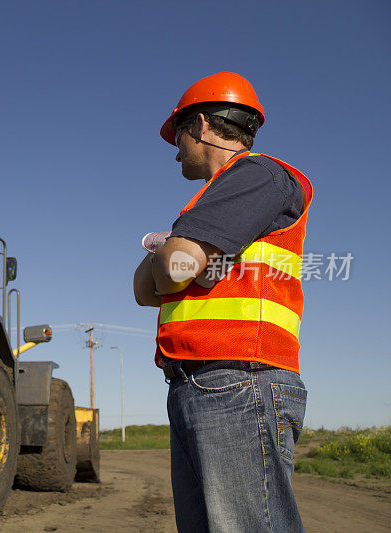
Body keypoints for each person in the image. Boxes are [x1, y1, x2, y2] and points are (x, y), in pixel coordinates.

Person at [132, 72, 313, 532]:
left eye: (178, 136)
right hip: (199, 383)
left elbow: (174, 270)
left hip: (239, 382)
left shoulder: (259, 177)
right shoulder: (211, 205)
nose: (175, 150)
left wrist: (166, 247)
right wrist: (171, 250)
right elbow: (144, 292)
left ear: (203, 125)